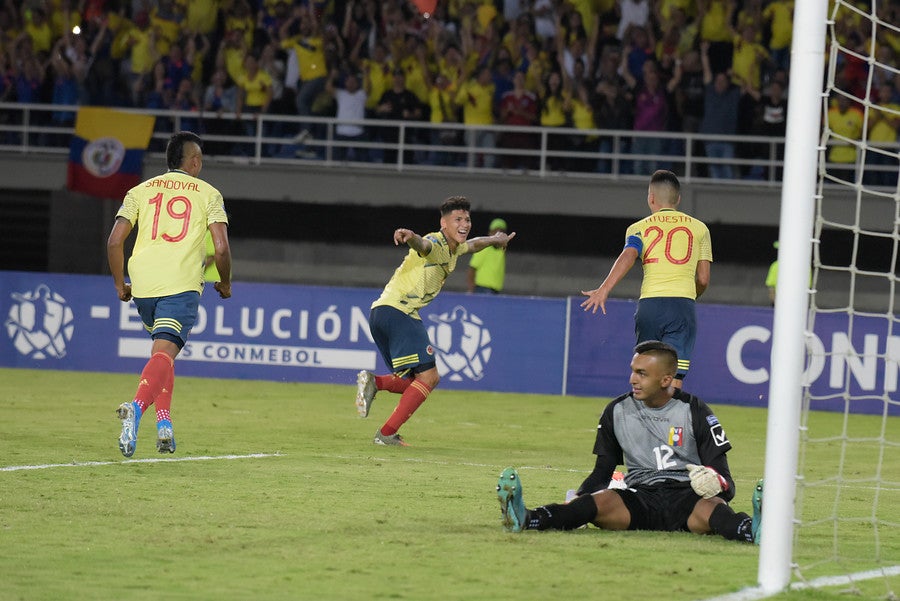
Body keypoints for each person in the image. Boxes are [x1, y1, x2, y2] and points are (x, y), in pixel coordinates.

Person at [496, 340, 764, 545]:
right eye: (633, 371)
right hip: (639, 499)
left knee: (716, 509)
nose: (632, 379)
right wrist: (579, 499)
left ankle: (753, 530)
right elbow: (602, 473)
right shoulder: (617, 411)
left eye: (642, 373)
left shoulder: (695, 411)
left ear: (666, 380)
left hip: (688, 498)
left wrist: (716, 483)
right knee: (597, 502)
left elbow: (726, 482)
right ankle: (528, 517)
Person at [106, 131, 232, 457]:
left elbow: (114, 242)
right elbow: (220, 248)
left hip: (144, 284)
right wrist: (226, 282)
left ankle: (164, 424)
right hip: (180, 283)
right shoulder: (209, 194)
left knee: (162, 356)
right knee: (164, 355)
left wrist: (121, 285)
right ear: (194, 161)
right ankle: (136, 407)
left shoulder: (138, 191)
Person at [355, 197, 516, 446]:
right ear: (444, 223)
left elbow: (473, 245)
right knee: (429, 378)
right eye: (458, 220)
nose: (465, 224)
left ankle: (375, 383)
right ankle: (386, 434)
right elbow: (424, 245)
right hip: (400, 312)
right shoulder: (437, 242)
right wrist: (410, 236)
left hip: (382, 313)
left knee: (413, 381)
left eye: (467, 219)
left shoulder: (455, 247)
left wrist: (495, 239)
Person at [580, 170, 712, 387]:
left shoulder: (638, 228)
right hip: (682, 305)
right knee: (674, 374)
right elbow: (704, 279)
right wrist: (690, 296)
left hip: (649, 305)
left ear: (650, 198)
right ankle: (670, 421)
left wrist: (604, 289)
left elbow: (628, 255)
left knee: (645, 372)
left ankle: (643, 419)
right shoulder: (699, 229)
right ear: (678, 199)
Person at [467, 218, 509, 294]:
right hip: (482, 289)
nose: (498, 235)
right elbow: (472, 269)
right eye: (495, 232)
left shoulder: (501, 251)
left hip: (495, 290)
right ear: (490, 233)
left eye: (501, 232)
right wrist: (471, 289)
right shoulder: (483, 249)